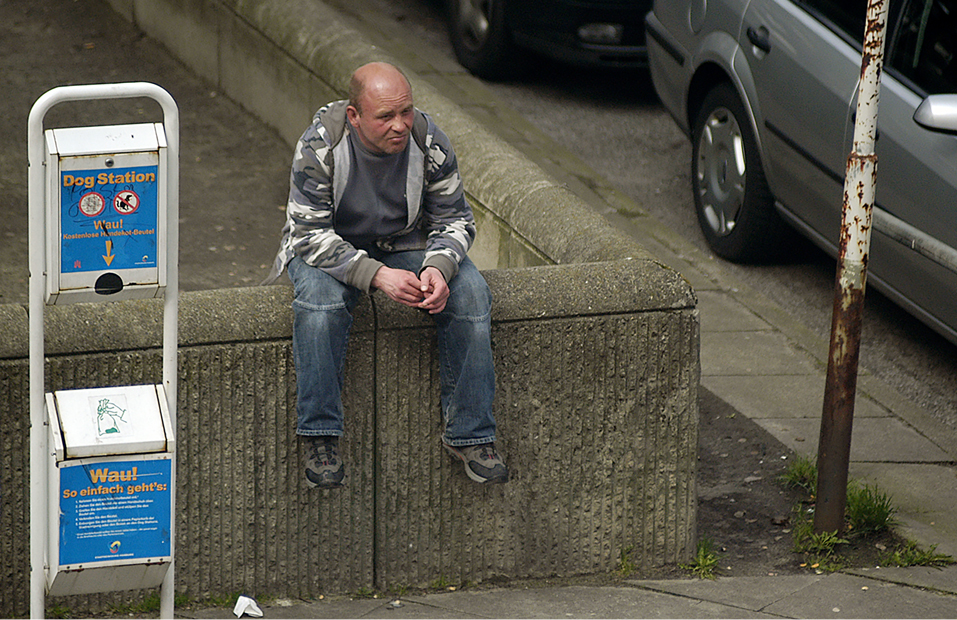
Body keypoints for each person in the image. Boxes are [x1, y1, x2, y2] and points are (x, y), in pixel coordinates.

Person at [264, 61, 508, 488]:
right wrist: (377, 275)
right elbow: (308, 234)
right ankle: (320, 435)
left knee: (470, 293)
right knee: (321, 306)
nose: (400, 125)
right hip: (329, 246)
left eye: (406, 111)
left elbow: (454, 219)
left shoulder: (428, 139)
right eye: (386, 116)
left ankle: (471, 434)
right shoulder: (320, 144)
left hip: (404, 242)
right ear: (354, 116)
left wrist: (438, 267)